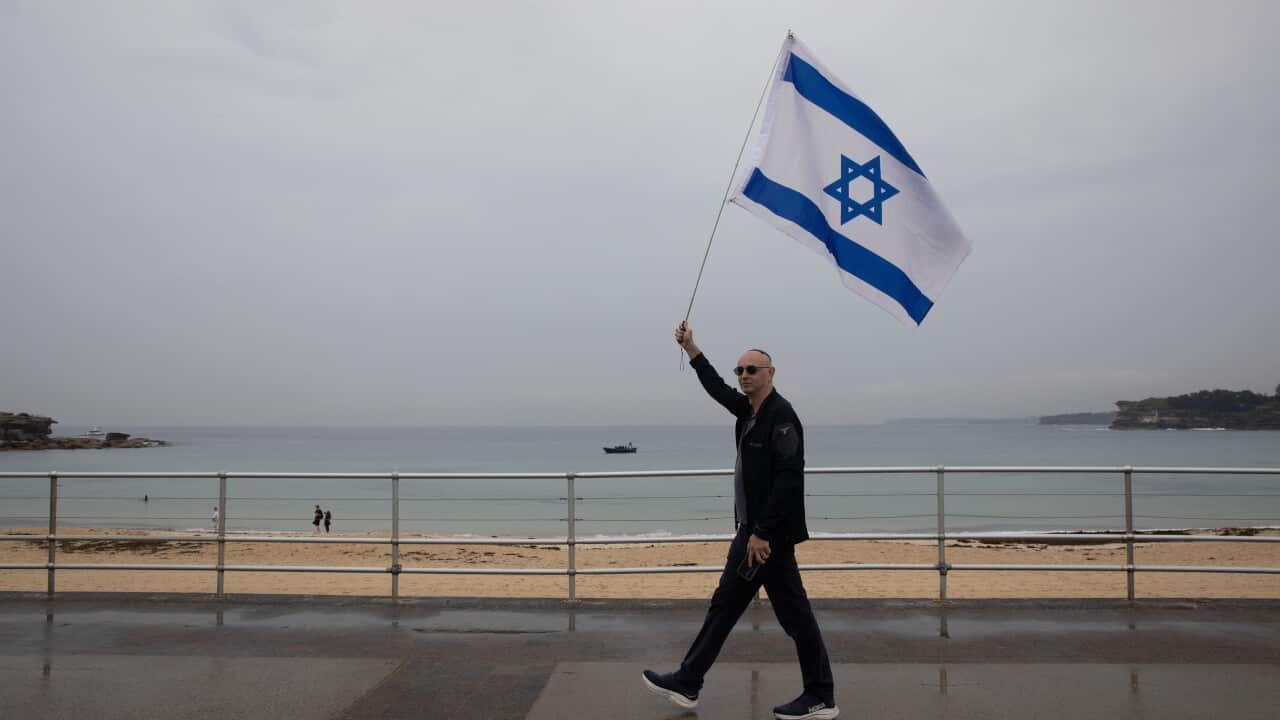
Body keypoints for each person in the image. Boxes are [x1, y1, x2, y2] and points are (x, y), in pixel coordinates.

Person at [642, 322, 838, 720]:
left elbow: (789, 477)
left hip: (768, 540)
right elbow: (716, 388)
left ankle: (820, 696)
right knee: (725, 608)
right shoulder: (748, 411)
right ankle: (688, 681)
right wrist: (692, 348)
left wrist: (763, 532)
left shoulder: (781, 416)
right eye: (741, 370)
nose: (745, 375)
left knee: (794, 617)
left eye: (753, 369)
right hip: (751, 535)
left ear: (771, 374)